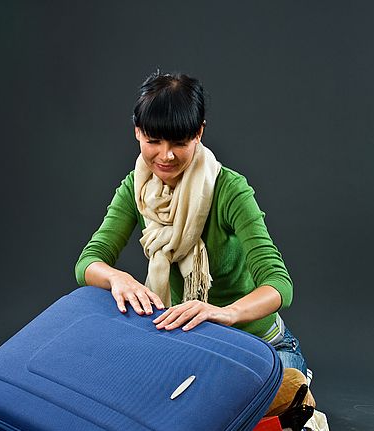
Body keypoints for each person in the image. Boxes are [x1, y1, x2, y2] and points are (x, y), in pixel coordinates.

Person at [75, 70, 309, 381]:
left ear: (198, 133)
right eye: (153, 140)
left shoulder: (230, 189)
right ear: (137, 132)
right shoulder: (136, 187)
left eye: (180, 142)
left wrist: (224, 314)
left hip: (260, 344)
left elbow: (279, 284)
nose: (166, 155)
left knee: (235, 407)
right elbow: (89, 262)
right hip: (189, 342)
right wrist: (117, 278)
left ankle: (288, 391)